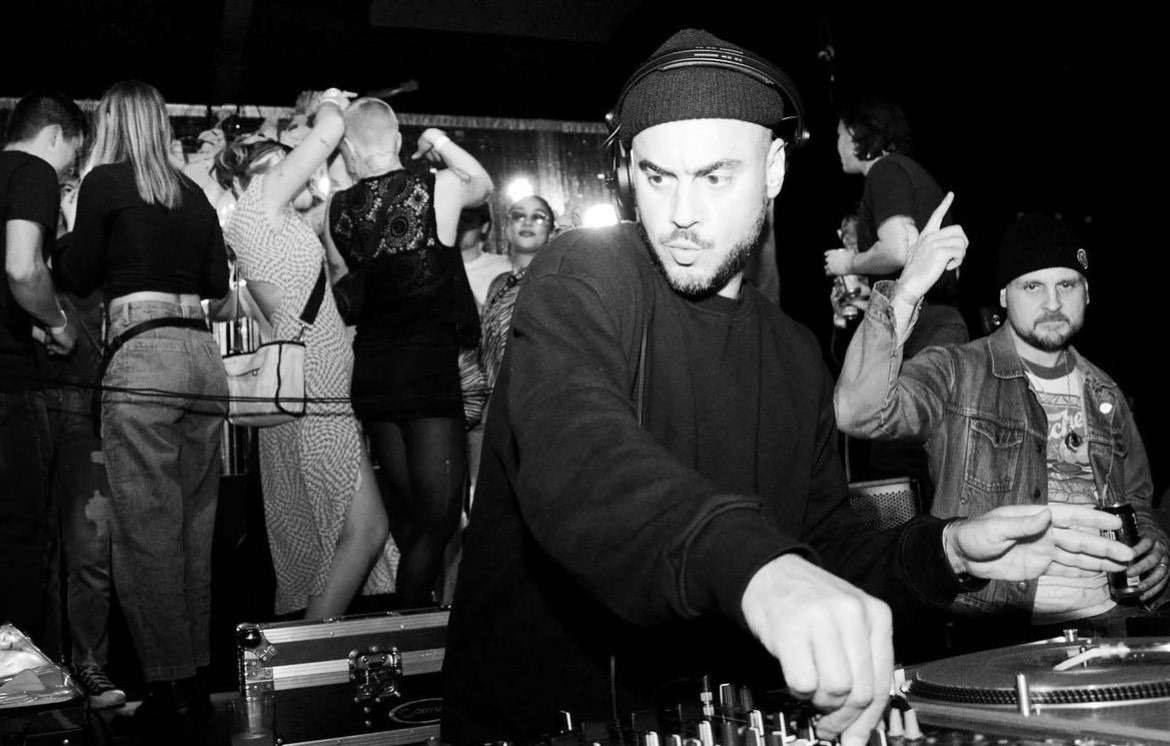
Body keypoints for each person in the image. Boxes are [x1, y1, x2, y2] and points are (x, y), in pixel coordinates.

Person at [440, 29, 1134, 746]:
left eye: (714, 177)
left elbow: (823, 542)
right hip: (535, 726)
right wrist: (759, 570)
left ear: (773, 169)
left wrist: (948, 552)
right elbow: (579, 457)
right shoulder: (582, 273)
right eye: (656, 177)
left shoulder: (795, 354)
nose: (681, 212)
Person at [835, 211, 1170, 650]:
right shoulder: (958, 372)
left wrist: (1156, 547)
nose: (1052, 302)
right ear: (1004, 296)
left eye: (1066, 285)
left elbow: (1137, 501)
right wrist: (906, 290)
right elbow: (857, 412)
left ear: (1086, 293)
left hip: (1109, 623)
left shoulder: (1104, 390)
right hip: (996, 631)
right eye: (1033, 286)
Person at [51, 80, 228, 730]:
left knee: (146, 532)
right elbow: (216, 282)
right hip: (203, 361)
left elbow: (75, 274)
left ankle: (170, 687)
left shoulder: (105, 183)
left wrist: (64, 240)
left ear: (112, 124)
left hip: (143, 353)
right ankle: (197, 681)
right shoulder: (195, 194)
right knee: (193, 531)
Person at [215, 89, 397, 620]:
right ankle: (309, 659)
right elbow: (328, 135)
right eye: (275, 167)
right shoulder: (259, 207)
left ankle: (313, 655)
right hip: (314, 385)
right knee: (367, 529)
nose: (289, 172)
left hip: (302, 387)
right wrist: (331, 102)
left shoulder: (280, 224)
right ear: (247, 183)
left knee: (324, 538)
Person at [324, 98, 493, 608]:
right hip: (426, 372)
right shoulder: (434, 187)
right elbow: (482, 186)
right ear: (396, 141)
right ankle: (407, 630)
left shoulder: (336, 209)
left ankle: (414, 632)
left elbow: (343, 291)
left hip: (375, 377)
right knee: (440, 519)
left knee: (419, 516)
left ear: (348, 149)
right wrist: (438, 141)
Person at [824, 98, 966, 507]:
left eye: (838, 135)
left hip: (925, 328)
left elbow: (902, 248)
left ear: (857, 133)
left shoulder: (885, 171)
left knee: (897, 461)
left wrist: (848, 261)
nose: (836, 146)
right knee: (926, 456)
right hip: (936, 321)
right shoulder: (909, 174)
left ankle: (908, 558)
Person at [36, 178, 126, 709]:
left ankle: (90, 666)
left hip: (89, 415)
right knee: (39, 550)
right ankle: (40, 672)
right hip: (39, 409)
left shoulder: (107, 259)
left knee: (91, 548)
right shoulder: (32, 251)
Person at [1, 90, 84, 652]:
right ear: (53, 136)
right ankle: (29, 696)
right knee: (23, 538)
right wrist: (55, 321)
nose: (69, 173)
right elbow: (21, 263)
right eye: (72, 160)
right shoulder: (32, 169)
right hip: (6, 387)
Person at [478, 194, 555, 392]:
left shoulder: (557, 280)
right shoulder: (499, 284)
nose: (527, 222)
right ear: (507, 230)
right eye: (519, 216)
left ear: (551, 232)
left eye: (538, 217)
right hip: (495, 401)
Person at [457, 203, 511, 314]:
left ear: (484, 227)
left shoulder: (505, 267)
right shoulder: (430, 269)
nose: (458, 229)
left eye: (466, 222)